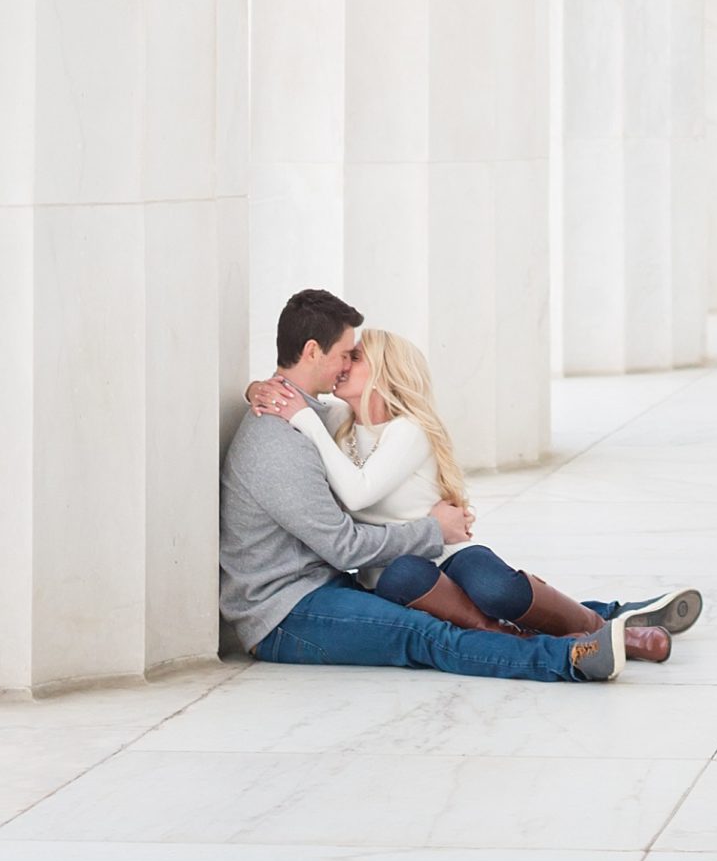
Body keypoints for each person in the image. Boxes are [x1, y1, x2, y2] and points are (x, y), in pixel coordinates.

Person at [222, 289, 627, 683]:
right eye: (345, 354)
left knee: (466, 602)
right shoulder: (278, 439)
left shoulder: (306, 413)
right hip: (283, 613)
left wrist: (256, 387)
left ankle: (606, 619)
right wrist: (433, 531)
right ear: (312, 351)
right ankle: (568, 658)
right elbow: (343, 546)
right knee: (425, 634)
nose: (346, 365)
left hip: (320, 587)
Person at [245, 325, 704, 660]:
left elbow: (358, 492)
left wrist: (302, 419)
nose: (343, 364)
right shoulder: (337, 426)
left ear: (385, 372)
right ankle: (574, 637)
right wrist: (258, 390)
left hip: (444, 551)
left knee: (494, 586)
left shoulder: (407, 430)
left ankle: (602, 627)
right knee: (408, 578)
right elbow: (298, 403)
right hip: (396, 567)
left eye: (356, 357)